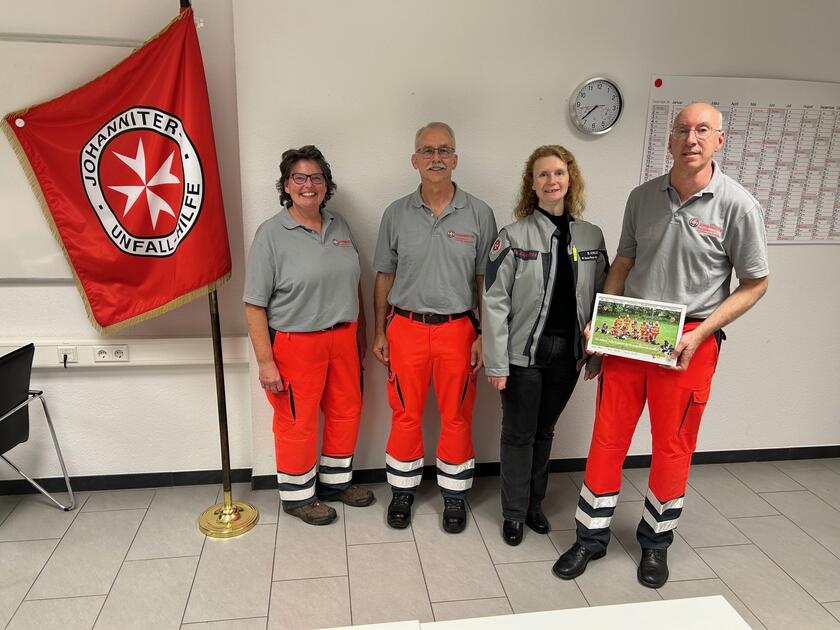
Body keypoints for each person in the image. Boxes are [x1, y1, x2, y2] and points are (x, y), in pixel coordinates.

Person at [553, 103, 769, 588]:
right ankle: (590, 537)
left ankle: (655, 542)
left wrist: (702, 332)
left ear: (719, 140)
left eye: (702, 130)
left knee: (673, 447)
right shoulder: (642, 197)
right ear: (669, 141)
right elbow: (623, 264)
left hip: (689, 341)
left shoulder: (738, 205)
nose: (691, 138)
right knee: (607, 439)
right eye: (682, 130)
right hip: (631, 332)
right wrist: (599, 323)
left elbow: (755, 283)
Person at [372, 122, 497, 533]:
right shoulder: (395, 213)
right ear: (414, 161)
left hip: (458, 330)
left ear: (456, 159)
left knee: (457, 415)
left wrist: (484, 335)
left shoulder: (480, 213)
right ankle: (403, 492)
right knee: (405, 414)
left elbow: (486, 282)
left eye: (444, 150)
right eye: (427, 151)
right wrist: (378, 332)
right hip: (405, 327)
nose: (436, 157)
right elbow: (384, 277)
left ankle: (455, 495)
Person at [483, 145, 609, 546]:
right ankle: (514, 513)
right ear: (531, 184)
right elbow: (494, 301)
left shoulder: (591, 235)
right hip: (524, 356)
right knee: (519, 433)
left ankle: (535, 505)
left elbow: (605, 295)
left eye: (558, 173)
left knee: (544, 432)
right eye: (542, 175)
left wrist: (596, 349)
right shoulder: (514, 236)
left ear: (570, 179)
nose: (551, 181)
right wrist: (496, 363)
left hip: (567, 355)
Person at [244, 145, 375, 526]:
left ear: (326, 184)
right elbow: (254, 304)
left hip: (343, 339)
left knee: (345, 413)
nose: (308, 185)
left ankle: (336, 484)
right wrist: (266, 362)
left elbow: (355, 284)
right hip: (295, 344)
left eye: (316, 177)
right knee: (296, 423)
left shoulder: (340, 226)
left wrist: (360, 333)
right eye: (299, 177)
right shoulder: (271, 234)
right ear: (286, 185)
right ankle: (299, 496)